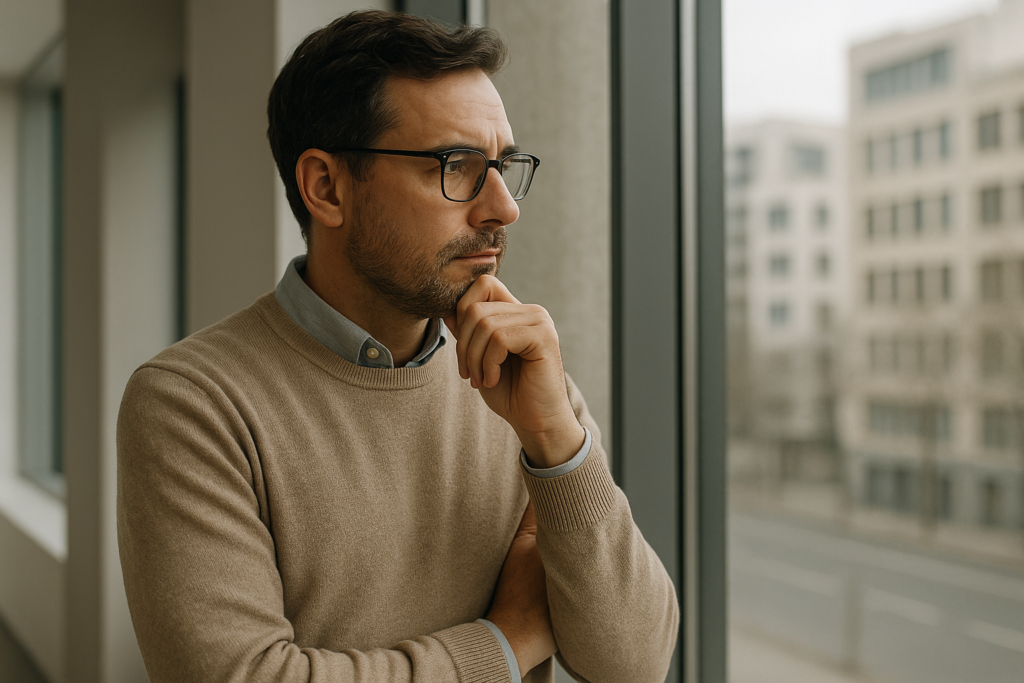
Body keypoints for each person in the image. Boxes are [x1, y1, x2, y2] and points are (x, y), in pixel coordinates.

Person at [117, 10, 678, 683]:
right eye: (457, 166)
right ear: (326, 188)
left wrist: (557, 440)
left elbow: (634, 664)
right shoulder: (192, 404)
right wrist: (507, 642)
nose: (504, 207)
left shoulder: (523, 380)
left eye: (503, 166)